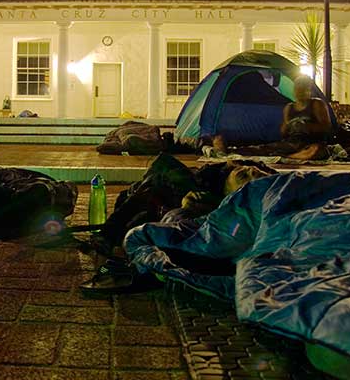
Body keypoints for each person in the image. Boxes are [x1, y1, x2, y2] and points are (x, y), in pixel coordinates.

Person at [79, 160, 274, 293]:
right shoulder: (216, 177)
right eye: (247, 170)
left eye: (248, 178)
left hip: (173, 213)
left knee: (151, 201)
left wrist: (187, 208)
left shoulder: (230, 209)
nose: (249, 172)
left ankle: (111, 238)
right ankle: (110, 236)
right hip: (169, 199)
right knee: (153, 184)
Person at [212, 75, 333, 160]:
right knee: (266, 149)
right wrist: (287, 126)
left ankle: (291, 156)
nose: (299, 91)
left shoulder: (316, 104)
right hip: (292, 143)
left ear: (309, 90)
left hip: (310, 143)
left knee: (317, 150)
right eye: (297, 89)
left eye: (303, 88)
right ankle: (229, 152)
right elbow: (283, 132)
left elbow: (326, 127)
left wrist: (307, 127)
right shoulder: (289, 108)